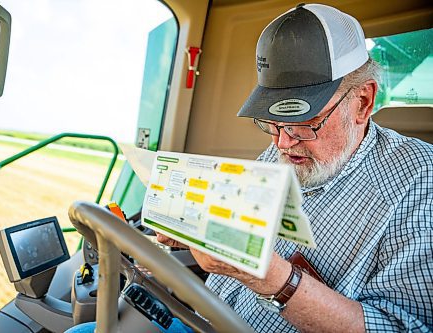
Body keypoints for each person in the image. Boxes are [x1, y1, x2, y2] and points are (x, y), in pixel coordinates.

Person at [158, 3, 433, 332]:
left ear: (362, 102)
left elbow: (408, 328)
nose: (282, 144)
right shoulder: (284, 148)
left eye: (304, 123)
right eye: (272, 124)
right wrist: (197, 232)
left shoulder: (419, 183)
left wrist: (272, 279)